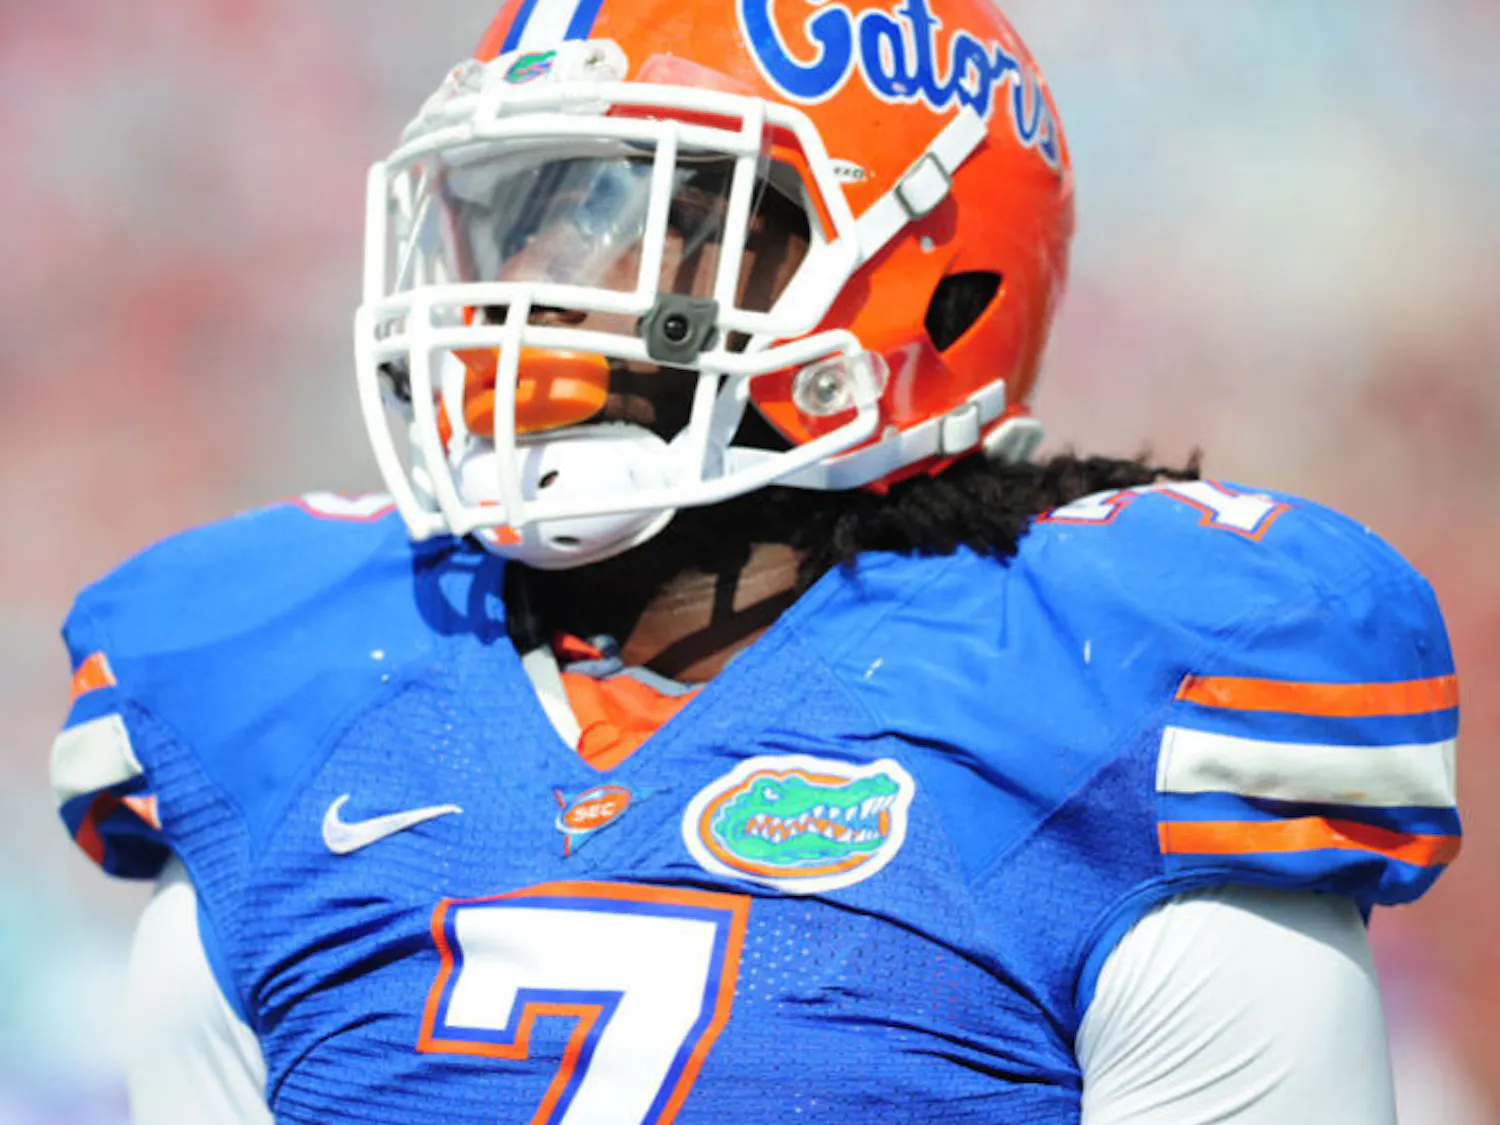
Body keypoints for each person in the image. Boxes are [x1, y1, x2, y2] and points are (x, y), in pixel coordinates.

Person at [50, 0, 1462, 1121]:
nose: (534, 287)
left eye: (623, 215)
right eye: (527, 213)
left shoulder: (1100, 699)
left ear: (920, 273)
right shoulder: (281, 689)